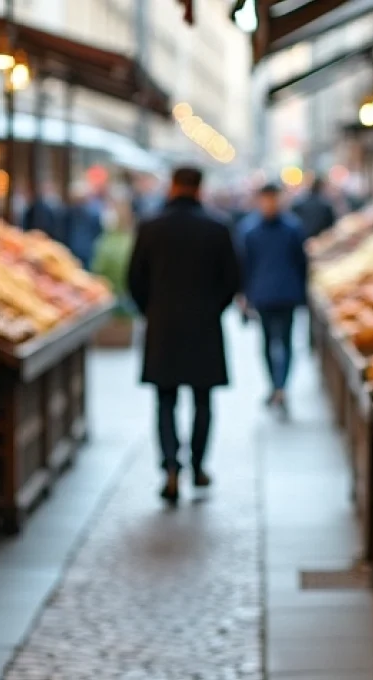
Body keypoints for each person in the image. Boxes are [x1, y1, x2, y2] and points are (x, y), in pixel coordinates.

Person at [128, 167, 242, 504]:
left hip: (163, 326)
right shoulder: (218, 227)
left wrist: (151, 310)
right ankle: (198, 464)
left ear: (173, 186)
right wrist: (213, 308)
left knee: (165, 400)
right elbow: (232, 280)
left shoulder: (150, 227)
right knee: (203, 400)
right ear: (199, 188)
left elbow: (135, 279)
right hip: (204, 325)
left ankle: (170, 468)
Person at [238, 183, 308, 415]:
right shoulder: (249, 230)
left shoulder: (292, 228)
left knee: (285, 341)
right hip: (263, 295)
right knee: (268, 342)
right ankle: (276, 385)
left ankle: (281, 386)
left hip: (286, 294)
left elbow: (302, 262)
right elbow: (244, 265)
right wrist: (244, 296)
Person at [65, 182, 104, 268]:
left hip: (74, 247)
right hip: (86, 248)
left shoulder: (69, 212)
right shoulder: (92, 213)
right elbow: (98, 230)